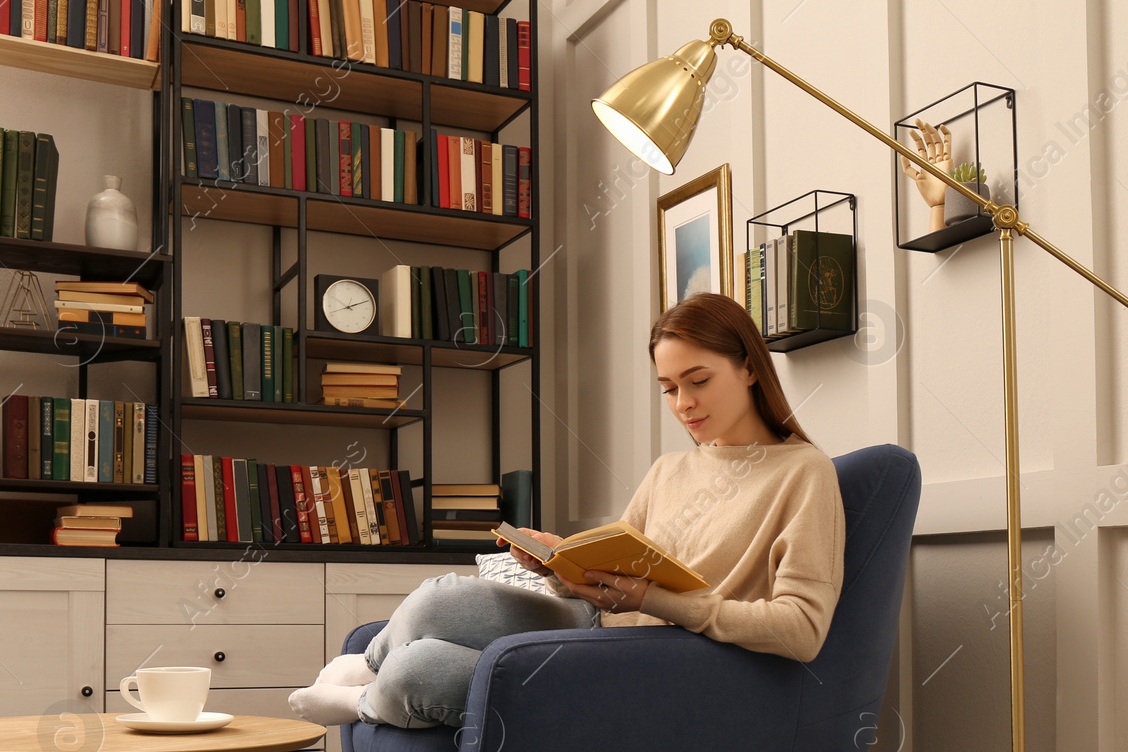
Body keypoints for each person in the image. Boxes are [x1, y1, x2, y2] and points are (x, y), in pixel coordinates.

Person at [288, 291, 846, 729]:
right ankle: (369, 668)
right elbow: (618, 574)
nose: (684, 405)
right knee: (440, 597)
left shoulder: (804, 474)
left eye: (698, 381)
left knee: (422, 671)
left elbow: (802, 631)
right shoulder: (670, 470)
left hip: (656, 665)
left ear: (750, 368)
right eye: (668, 388)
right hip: (596, 624)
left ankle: (368, 697)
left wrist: (657, 601)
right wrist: (562, 567)